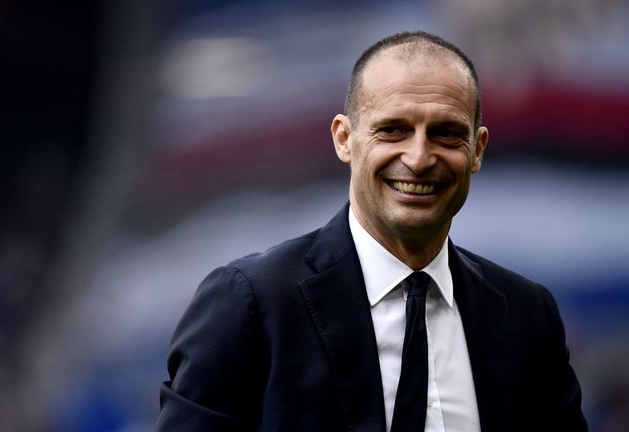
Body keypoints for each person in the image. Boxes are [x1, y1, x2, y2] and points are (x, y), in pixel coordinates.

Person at [156, 31, 587, 432]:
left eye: (446, 134)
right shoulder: (250, 304)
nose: (419, 158)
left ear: (477, 150)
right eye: (393, 129)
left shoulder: (527, 315)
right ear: (345, 139)